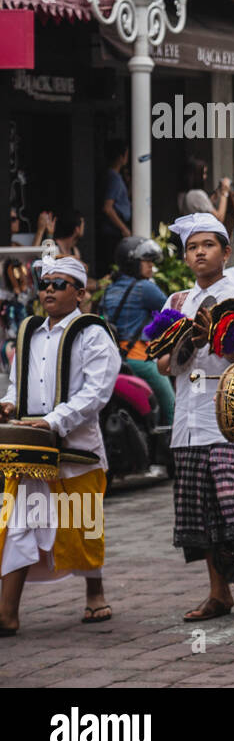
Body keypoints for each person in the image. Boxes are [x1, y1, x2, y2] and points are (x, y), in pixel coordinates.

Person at [151, 214, 234, 621]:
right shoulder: (176, 303)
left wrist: (221, 341)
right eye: (192, 247)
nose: (200, 252)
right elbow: (166, 365)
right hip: (187, 415)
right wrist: (186, 341)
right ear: (186, 257)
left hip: (229, 413)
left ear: (225, 251)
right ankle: (219, 592)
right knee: (198, 508)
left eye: (208, 245)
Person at [0, 257, 118, 634]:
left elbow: (97, 392)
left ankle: (94, 592)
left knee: (80, 523)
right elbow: (20, 381)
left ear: (80, 293)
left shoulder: (93, 333)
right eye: (45, 283)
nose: (48, 289)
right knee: (17, 522)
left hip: (76, 448)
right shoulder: (28, 332)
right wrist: (10, 403)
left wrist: (53, 421)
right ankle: (8, 612)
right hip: (29, 448)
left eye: (59, 284)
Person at [100, 236, 172, 477]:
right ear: (132, 263)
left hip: (114, 361)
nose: (151, 266)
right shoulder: (145, 288)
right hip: (140, 360)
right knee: (172, 403)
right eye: (146, 261)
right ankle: (171, 455)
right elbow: (171, 314)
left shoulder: (109, 289)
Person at [99, 141, 132, 274]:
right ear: (121, 156)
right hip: (114, 231)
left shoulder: (114, 177)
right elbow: (108, 207)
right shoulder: (114, 178)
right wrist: (124, 229)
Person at [178, 158, 232, 225]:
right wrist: (225, 192)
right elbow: (220, 219)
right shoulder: (197, 194)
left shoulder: (183, 194)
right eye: (203, 173)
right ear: (196, 175)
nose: (205, 177)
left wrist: (210, 201)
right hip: (202, 234)